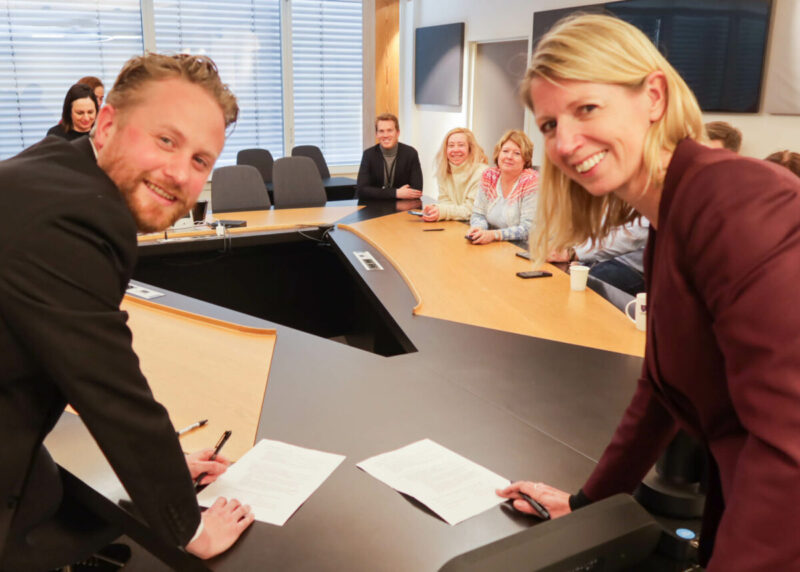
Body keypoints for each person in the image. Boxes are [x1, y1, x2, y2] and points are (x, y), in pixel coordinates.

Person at [496, 14, 800, 570]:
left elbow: (790, 448)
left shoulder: (736, 201)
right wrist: (587, 503)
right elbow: (662, 391)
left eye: (586, 108)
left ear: (654, 96)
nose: (564, 142)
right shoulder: (674, 213)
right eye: (547, 124)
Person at [0, 53, 254, 571]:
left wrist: (164, 465)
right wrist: (191, 527)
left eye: (202, 160)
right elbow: (111, 390)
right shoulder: (78, 217)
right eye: (166, 140)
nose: (181, 174)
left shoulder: (54, 167)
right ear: (108, 122)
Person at [467, 129, 538, 244]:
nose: (509, 156)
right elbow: (478, 214)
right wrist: (478, 228)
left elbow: (528, 229)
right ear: (498, 154)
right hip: (499, 246)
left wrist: (495, 235)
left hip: (528, 249)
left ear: (525, 160)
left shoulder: (531, 181)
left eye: (517, 153)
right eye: (505, 151)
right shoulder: (489, 176)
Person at [422, 127, 488, 222]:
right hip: (455, 223)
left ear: (470, 149)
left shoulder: (482, 172)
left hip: (477, 227)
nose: (455, 150)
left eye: (461, 145)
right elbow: (445, 202)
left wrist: (443, 211)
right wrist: (436, 209)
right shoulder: (443, 170)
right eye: (451, 145)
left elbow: (471, 210)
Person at [356, 113, 423, 200]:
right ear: (376, 134)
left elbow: (417, 190)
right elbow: (362, 190)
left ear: (398, 133)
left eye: (390, 130)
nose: (385, 135)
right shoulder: (368, 155)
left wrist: (378, 192)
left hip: (402, 207)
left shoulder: (410, 153)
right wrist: (396, 193)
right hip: (373, 207)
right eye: (381, 131)